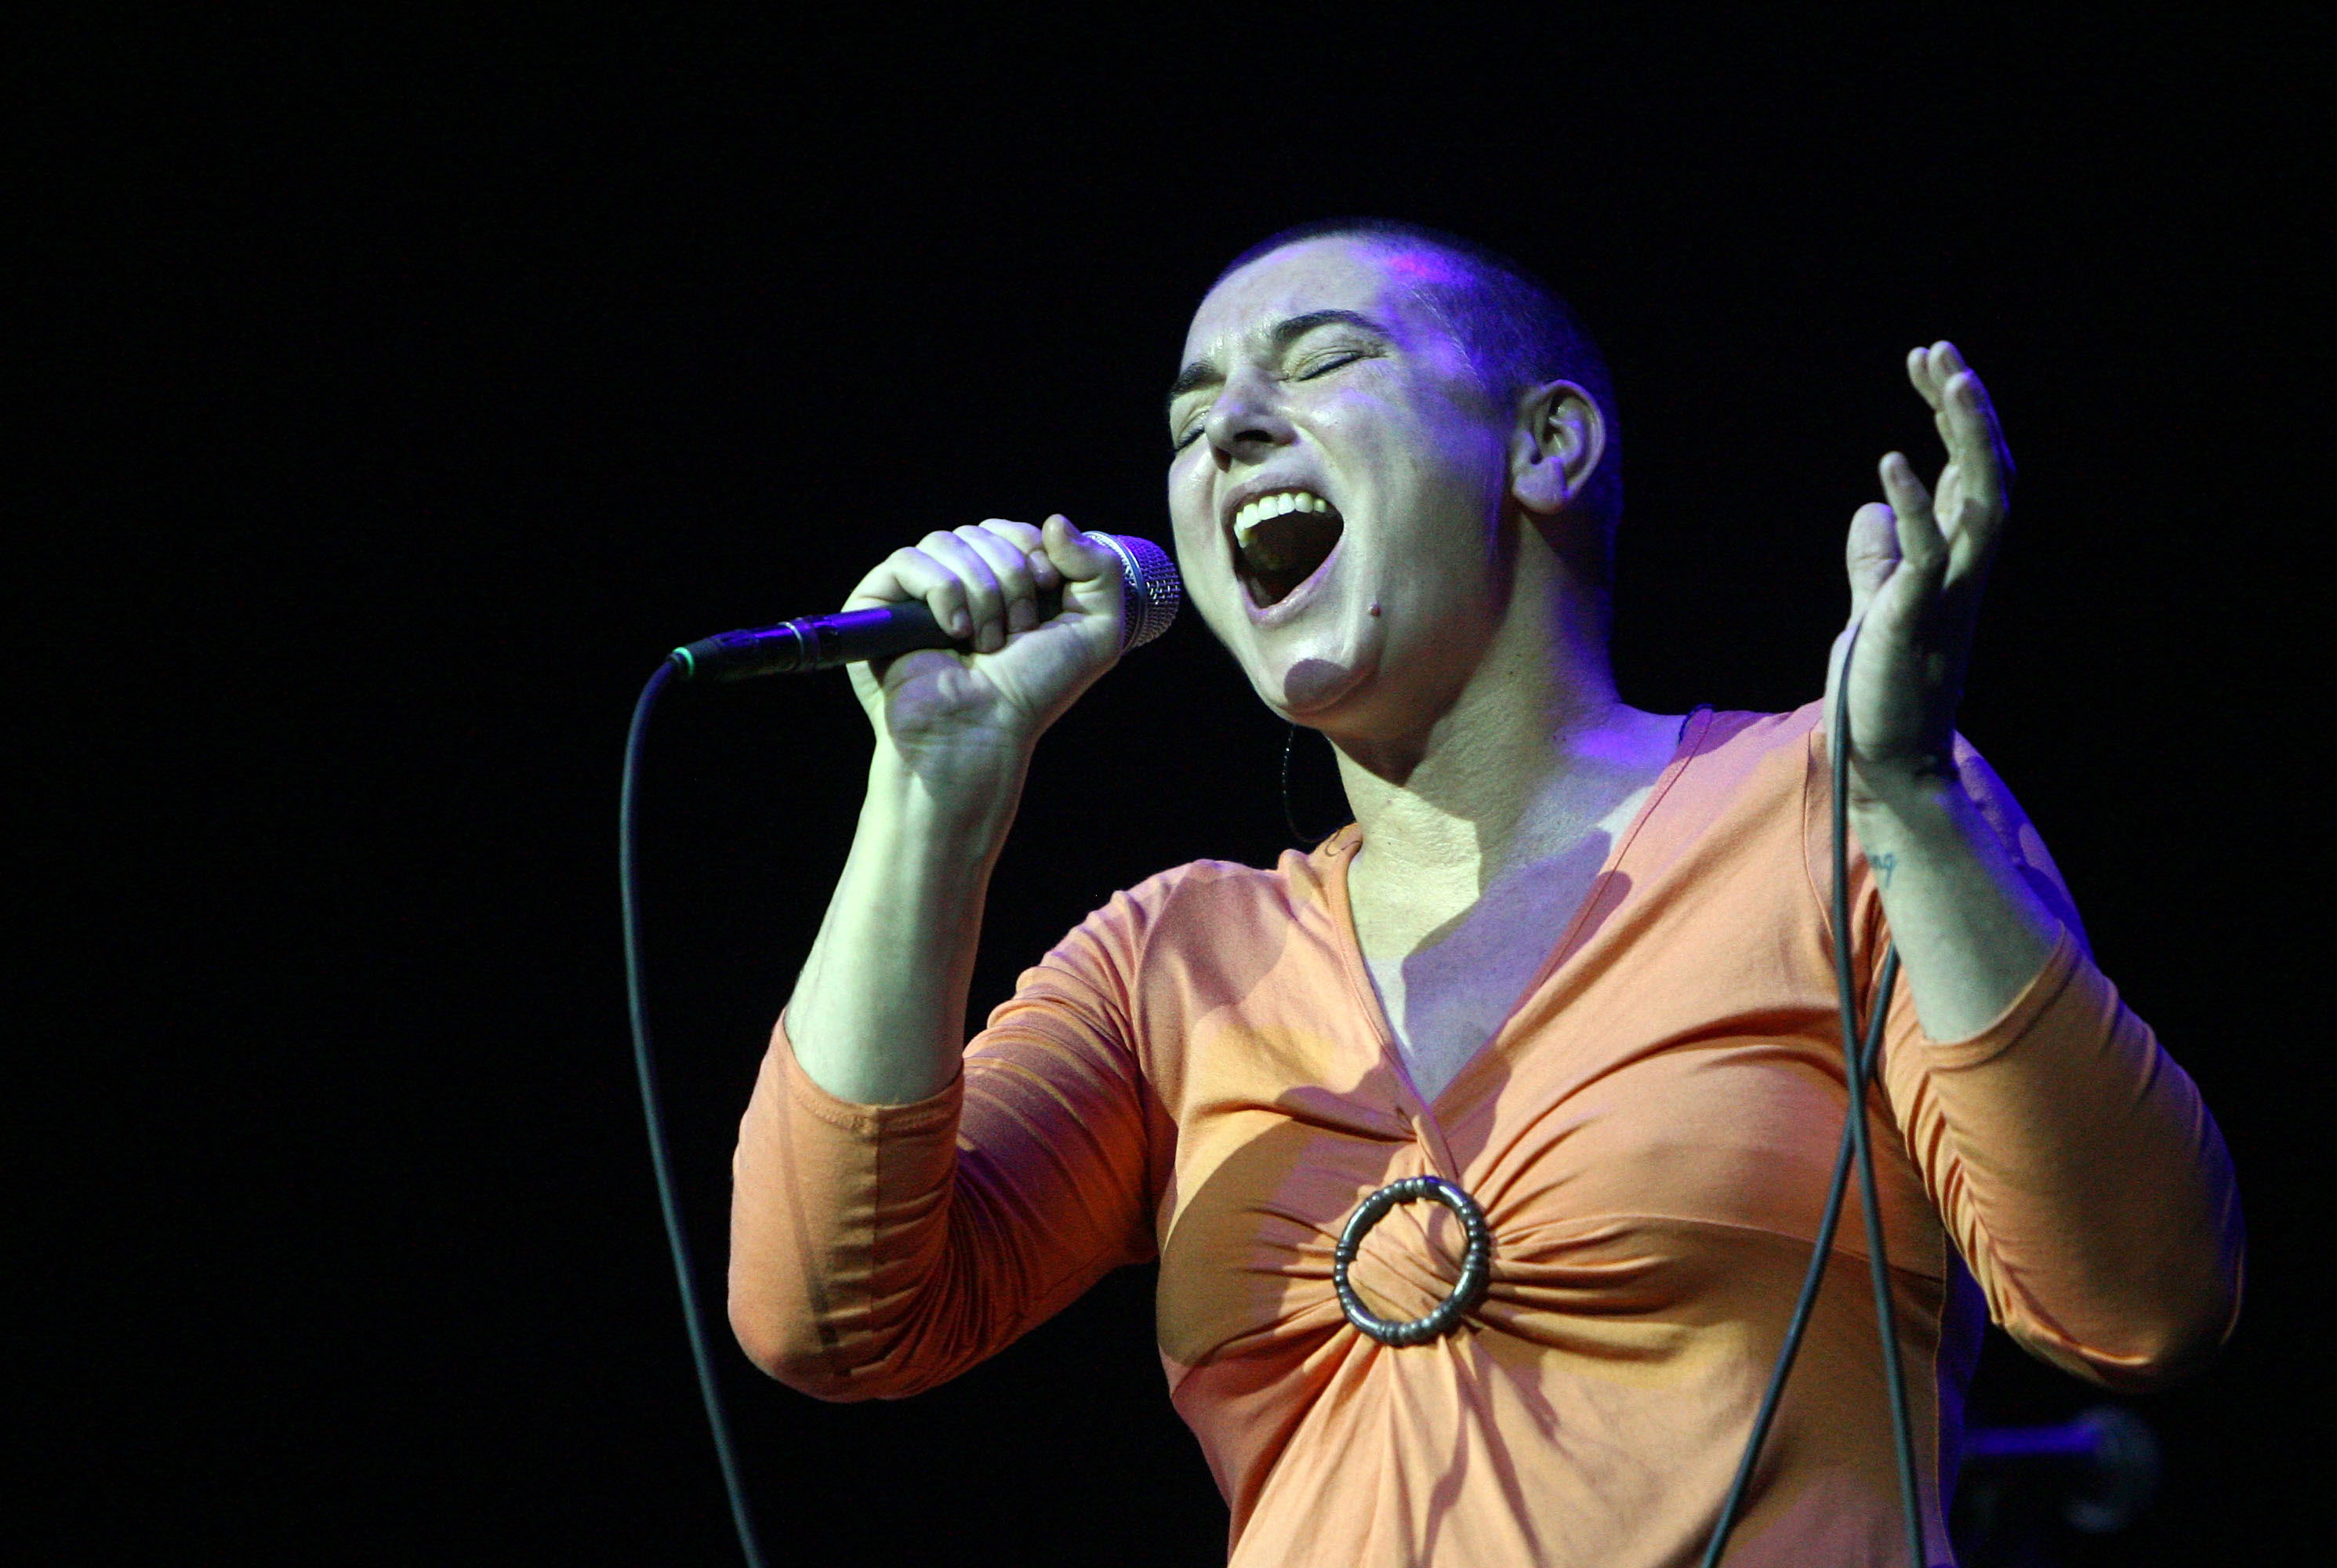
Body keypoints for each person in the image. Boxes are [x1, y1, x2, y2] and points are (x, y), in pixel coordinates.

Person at [724, 220, 2242, 1566]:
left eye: (1318, 364)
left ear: (1548, 446)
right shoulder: (1177, 958)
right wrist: (934, 787)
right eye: (1192, 419)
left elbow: (2143, 1298)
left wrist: (1909, 796)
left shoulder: (1833, 807)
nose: (1230, 434)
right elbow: (832, 1318)